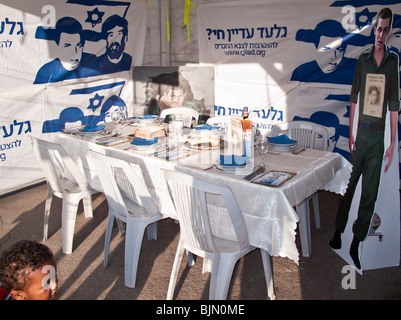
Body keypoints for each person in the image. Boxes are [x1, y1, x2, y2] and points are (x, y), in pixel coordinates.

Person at [329, 8, 400, 269]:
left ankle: (356, 243)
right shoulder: (364, 59)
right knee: (348, 187)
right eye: (378, 29)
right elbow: (354, 96)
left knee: (370, 193)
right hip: (361, 134)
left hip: (379, 136)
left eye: (385, 29)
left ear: (389, 31)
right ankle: (338, 232)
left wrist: (392, 142)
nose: (381, 34)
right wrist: (350, 133)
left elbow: (394, 102)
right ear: (374, 30)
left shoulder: (392, 62)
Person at [34, 17, 97, 84]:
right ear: (57, 46)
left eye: (79, 46)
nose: (74, 52)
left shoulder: (93, 63)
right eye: (67, 46)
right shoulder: (46, 71)